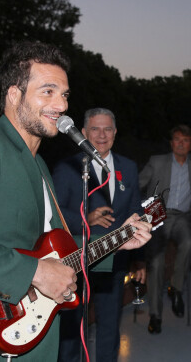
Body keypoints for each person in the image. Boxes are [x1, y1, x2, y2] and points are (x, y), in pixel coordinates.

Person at [0, 42, 152, 362]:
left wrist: (116, 241)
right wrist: (35, 272)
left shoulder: (39, 164)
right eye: (48, 91)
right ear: (14, 94)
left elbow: (54, 251)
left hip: (36, 333)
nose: (61, 105)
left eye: (64, 94)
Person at [53, 108, 145, 362]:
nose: (101, 135)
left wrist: (140, 259)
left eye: (107, 129)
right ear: (83, 133)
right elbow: (54, 213)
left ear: (115, 133)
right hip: (76, 263)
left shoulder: (129, 167)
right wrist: (85, 218)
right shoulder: (68, 168)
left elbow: (136, 211)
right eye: (95, 129)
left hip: (114, 263)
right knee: (71, 331)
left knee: (109, 327)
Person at [139, 125, 191, 334]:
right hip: (157, 218)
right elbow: (138, 185)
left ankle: (176, 288)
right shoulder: (156, 162)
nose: (180, 143)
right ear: (171, 143)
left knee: (189, 242)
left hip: (183, 217)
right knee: (157, 263)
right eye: (177, 139)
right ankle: (155, 314)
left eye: (185, 140)